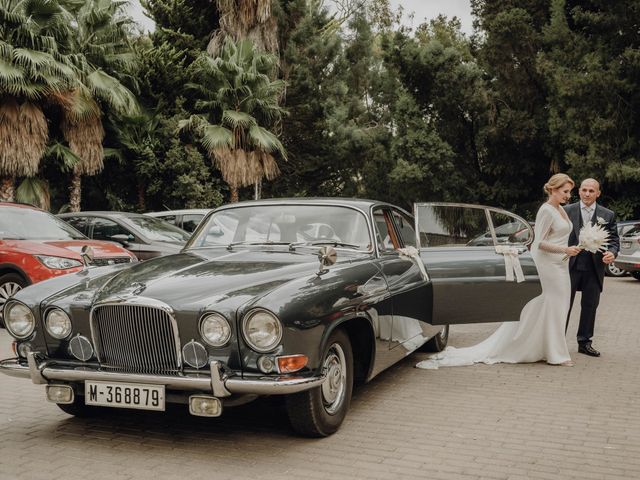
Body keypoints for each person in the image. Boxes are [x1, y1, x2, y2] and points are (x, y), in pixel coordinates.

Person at [416, 173, 581, 369]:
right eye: (565, 191)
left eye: (569, 192)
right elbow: (539, 242)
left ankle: (546, 348)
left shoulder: (561, 210)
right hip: (548, 267)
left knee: (556, 307)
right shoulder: (546, 210)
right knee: (550, 306)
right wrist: (565, 249)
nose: (568, 195)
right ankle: (555, 353)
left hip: (561, 265)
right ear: (553, 189)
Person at [563, 179, 619, 357]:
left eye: (591, 191)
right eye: (584, 190)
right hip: (569, 266)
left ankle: (584, 342)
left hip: (595, 268)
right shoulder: (565, 211)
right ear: (579, 191)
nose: (587, 194)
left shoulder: (607, 215)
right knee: (563, 305)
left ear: (598, 193)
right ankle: (557, 341)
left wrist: (612, 253)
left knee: (590, 305)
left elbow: (614, 241)